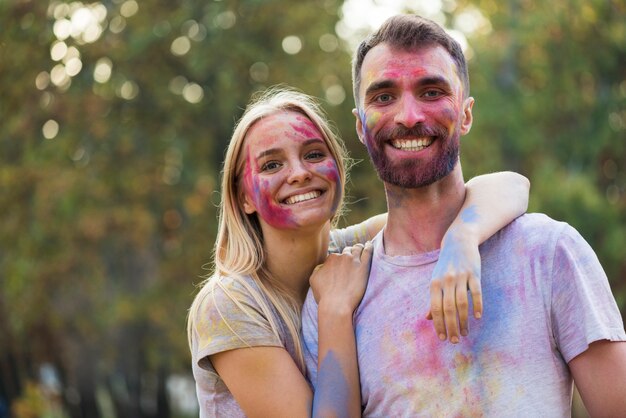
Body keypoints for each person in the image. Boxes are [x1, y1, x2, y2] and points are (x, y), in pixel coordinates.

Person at [301, 14, 626, 417]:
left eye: (431, 91)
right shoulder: (335, 297)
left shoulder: (548, 252)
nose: (408, 116)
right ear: (361, 126)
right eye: (383, 96)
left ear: (466, 114)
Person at [187, 87, 529, 417]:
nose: (299, 174)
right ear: (244, 196)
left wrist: (462, 240)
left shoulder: (352, 251)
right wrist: (335, 309)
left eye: (314, 154)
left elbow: (510, 186)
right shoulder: (228, 306)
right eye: (272, 165)